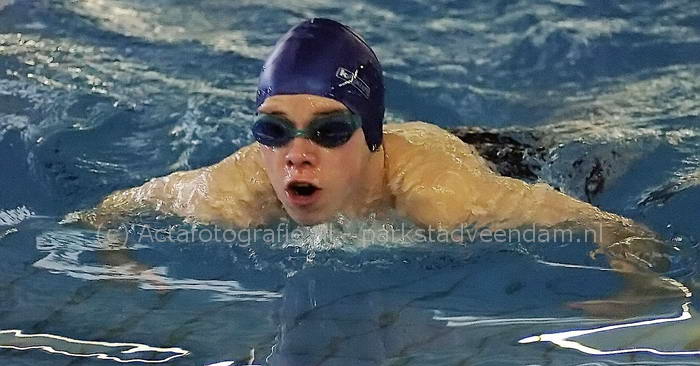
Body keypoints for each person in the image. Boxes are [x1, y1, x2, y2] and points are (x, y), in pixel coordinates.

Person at [75, 18, 668, 279]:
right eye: (274, 131)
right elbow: (109, 210)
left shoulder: (448, 200)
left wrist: (634, 285)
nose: (296, 155)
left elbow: (619, 228)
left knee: (595, 141)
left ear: (371, 136)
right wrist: (119, 260)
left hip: (497, 157)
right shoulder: (233, 191)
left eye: (329, 131)